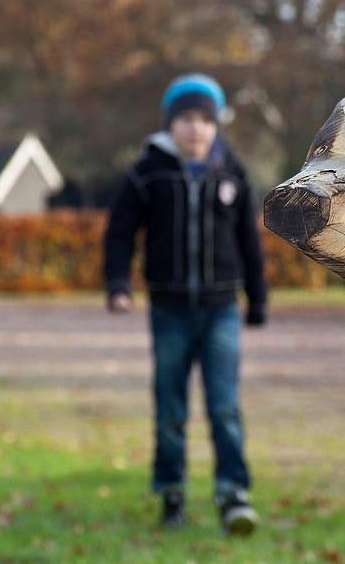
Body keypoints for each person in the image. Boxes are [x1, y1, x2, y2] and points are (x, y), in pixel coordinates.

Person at [103, 73, 268, 535]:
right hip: (170, 310)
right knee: (171, 408)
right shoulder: (147, 174)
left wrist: (257, 299)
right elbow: (118, 234)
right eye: (185, 120)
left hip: (220, 311)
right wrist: (119, 284)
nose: (195, 129)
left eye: (204, 121)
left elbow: (249, 243)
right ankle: (172, 492)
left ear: (216, 126)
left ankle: (233, 493)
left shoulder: (231, 173)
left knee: (224, 406)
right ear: (170, 125)